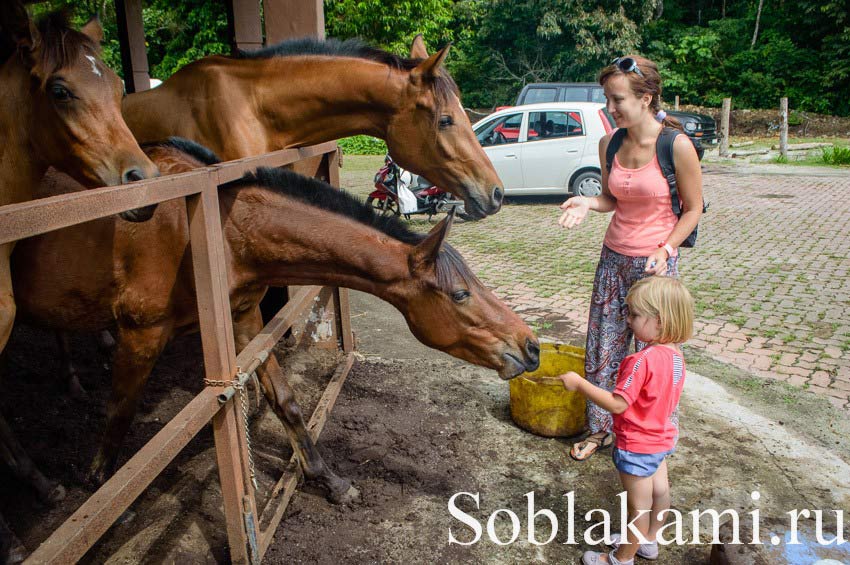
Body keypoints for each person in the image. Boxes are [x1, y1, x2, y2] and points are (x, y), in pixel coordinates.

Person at [557, 55, 703, 461]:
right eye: (607, 99)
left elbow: (692, 209)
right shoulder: (611, 143)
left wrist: (666, 248)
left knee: (652, 359)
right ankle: (600, 431)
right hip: (613, 261)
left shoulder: (676, 146)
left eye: (618, 99)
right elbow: (611, 197)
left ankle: (649, 434)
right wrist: (588, 203)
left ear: (647, 98)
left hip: (655, 269)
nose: (611, 108)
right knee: (602, 350)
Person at [559, 276, 694, 565]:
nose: (628, 319)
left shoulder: (641, 361)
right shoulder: (676, 356)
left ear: (659, 320)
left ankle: (621, 559)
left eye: (634, 314)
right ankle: (648, 542)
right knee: (660, 494)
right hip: (661, 439)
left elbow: (618, 405)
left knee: (638, 508)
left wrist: (580, 384)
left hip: (637, 445)